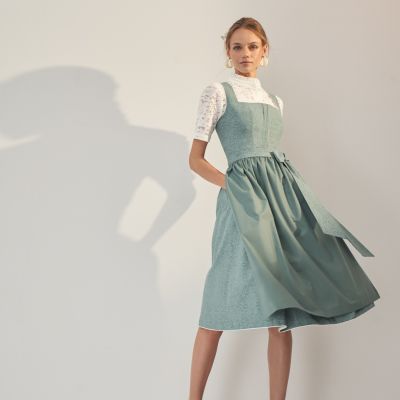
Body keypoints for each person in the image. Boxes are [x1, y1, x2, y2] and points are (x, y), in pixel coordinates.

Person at [187, 17, 380, 400]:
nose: (245, 54)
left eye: (252, 46)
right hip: (241, 202)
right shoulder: (217, 93)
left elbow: (272, 156)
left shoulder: (276, 101)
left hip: (282, 198)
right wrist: (234, 186)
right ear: (228, 52)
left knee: (282, 306)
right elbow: (195, 160)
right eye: (237, 46)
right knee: (217, 299)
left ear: (264, 51)